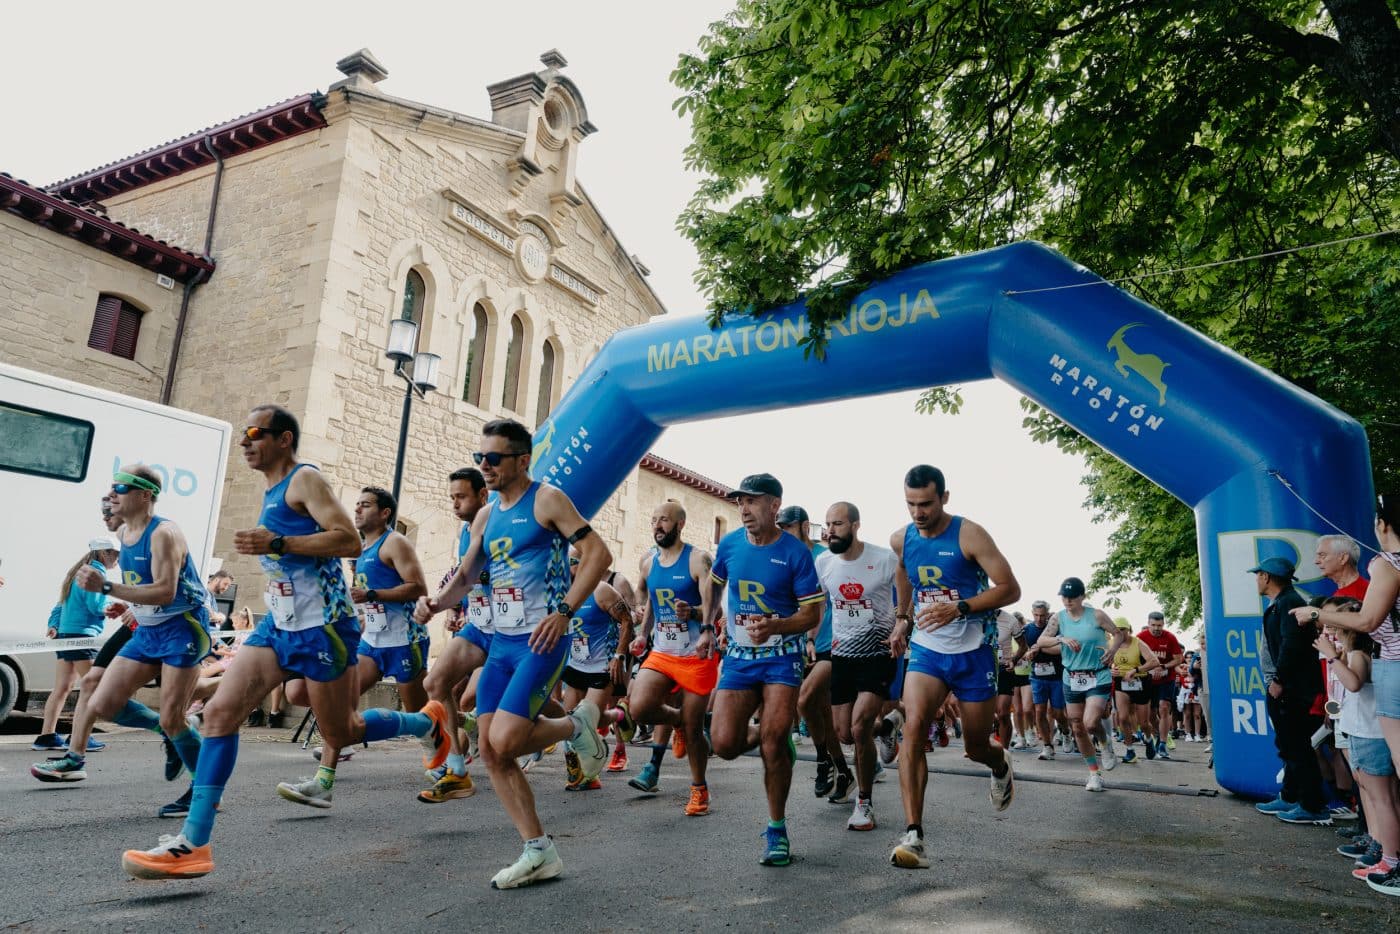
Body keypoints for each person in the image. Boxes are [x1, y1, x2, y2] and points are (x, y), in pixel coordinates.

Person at [119, 406, 452, 880]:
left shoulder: (304, 480)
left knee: (343, 732)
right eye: (245, 435)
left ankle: (425, 722)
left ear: (284, 439)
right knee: (218, 715)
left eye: (255, 433)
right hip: (279, 624)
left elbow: (347, 542)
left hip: (325, 627)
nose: (245, 442)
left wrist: (276, 543)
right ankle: (194, 844)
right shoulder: (271, 488)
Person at [435, 418, 613, 889]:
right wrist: (436, 603)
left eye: (493, 459)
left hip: (543, 639)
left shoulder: (548, 499)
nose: (485, 466)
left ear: (521, 460)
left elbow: (598, 554)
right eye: (480, 458)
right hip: (502, 642)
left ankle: (578, 725)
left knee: (507, 740)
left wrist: (564, 610)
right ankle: (539, 852)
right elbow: (469, 574)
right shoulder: (487, 514)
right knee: (493, 753)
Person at [33, 465, 212, 814]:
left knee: (173, 715)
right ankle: (169, 734)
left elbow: (165, 590)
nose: (112, 494)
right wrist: (127, 604)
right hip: (147, 630)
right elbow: (144, 586)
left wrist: (107, 588)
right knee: (102, 700)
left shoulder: (165, 533)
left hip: (182, 627)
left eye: (121, 487)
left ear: (145, 495)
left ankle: (205, 791)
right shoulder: (128, 532)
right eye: (111, 487)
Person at [887, 465, 1020, 869]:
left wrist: (959, 607)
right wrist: (902, 617)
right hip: (927, 650)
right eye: (910, 504)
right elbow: (904, 571)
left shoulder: (970, 534)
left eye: (925, 504)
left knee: (975, 745)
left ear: (944, 497)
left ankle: (999, 763)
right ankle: (914, 835)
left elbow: (1010, 589)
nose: (918, 512)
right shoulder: (902, 538)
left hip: (973, 650)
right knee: (913, 725)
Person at [275, 484, 432, 805]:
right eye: (357, 505)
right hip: (372, 642)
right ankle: (324, 782)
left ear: (385, 513)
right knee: (339, 704)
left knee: (423, 715)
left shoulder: (396, 543)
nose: (358, 510)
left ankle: (448, 758)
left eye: (366, 505)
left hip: (405, 641)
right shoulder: (359, 550)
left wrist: (373, 595)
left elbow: (418, 587)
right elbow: (362, 597)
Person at [704, 473, 824, 867]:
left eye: (752, 502)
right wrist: (708, 625)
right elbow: (715, 583)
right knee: (722, 744)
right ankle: (771, 733)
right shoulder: (731, 544)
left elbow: (812, 614)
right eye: (740, 502)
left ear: (774, 506)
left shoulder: (795, 553)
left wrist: (775, 625)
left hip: (782, 655)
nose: (743, 509)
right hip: (739, 656)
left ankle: (777, 829)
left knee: (774, 745)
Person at [1296, 493, 1400, 896]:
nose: (1318, 560)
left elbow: (1370, 620)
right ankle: (1385, 851)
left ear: (1382, 524)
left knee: (1389, 776)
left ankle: (1391, 858)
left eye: (1322, 554)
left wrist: (1318, 614)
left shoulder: (1384, 564)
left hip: (1392, 670)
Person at [627, 500, 718, 811]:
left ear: (680, 524)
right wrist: (641, 631)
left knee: (694, 730)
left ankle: (699, 789)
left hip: (695, 654)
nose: (657, 525)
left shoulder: (698, 560)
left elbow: (715, 606)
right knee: (639, 708)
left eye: (664, 520)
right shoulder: (649, 562)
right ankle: (679, 721)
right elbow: (647, 596)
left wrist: (693, 612)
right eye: (653, 519)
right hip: (663, 651)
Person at [815, 501, 898, 831]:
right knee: (845, 733)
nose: (831, 530)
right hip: (843, 656)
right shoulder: (824, 563)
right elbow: (820, 606)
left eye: (838, 523)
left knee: (860, 727)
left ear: (855, 525)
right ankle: (888, 728)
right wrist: (808, 639)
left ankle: (864, 803)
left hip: (878, 653)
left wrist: (902, 622)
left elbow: (905, 588)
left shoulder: (883, 559)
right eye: (828, 524)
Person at [414, 466, 492, 803]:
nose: (455, 504)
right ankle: (458, 769)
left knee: (516, 723)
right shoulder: (463, 532)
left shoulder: (501, 523)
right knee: (435, 683)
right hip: (479, 626)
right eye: (452, 498)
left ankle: (575, 730)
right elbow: (462, 576)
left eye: (461, 497)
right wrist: (442, 604)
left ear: (483, 495)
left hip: (515, 633)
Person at [1246, 555, 1329, 825]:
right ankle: (1291, 795)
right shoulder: (1283, 603)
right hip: (1289, 687)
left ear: (1267, 577)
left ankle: (1312, 805)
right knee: (1289, 745)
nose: (1256, 579)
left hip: (1292, 690)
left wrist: (1279, 680)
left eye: (1258, 574)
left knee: (1296, 747)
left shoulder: (1289, 603)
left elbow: (1291, 646)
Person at [1027, 577, 1125, 792]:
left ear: (1082, 596)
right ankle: (1094, 773)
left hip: (1097, 675)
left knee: (1090, 723)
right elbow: (1042, 641)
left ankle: (1105, 741)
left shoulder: (1097, 615)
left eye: (1072, 597)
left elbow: (1118, 634)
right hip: (1072, 676)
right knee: (1077, 726)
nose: (1068, 601)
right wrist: (1061, 639)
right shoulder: (1058, 618)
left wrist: (1112, 650)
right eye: (1064, 597)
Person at [783, 505, 850, 801]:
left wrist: (811, 637)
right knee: (819, 710)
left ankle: (824, 761)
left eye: (787, 527)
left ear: (803, 526)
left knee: (807, 699)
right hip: (803, 644)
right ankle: (842, 768)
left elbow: (823, 601)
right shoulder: (785, 559)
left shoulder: (823, 557)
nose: (782, 533)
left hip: (833, 642)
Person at [31, 537, 121, 751]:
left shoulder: (78, 572)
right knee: (92, 687)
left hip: (65, 635)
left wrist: (53, 625)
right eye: (116, 554)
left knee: (62, 688)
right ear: (104, 554)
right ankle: (80, 737)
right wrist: (113, 606)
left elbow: (60, 604)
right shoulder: (96, 574)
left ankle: (46, 736)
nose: (118, 558)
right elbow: (95, 605)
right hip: (82, 637)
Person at [559, 564, 634, 790]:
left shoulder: (601, 590)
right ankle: (580, 773)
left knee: (590, 722)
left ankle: (618, 715)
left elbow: (627, 620)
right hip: (575, 664)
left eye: (571, 562)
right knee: (569, 722)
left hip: (602, 666)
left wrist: (619, 655)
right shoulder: (559, 592)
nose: (566, 566)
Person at [1108, 618, 1163, 764]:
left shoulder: (1138, 643)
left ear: (1129, 629)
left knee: (1143, 722)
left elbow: (1154, 661)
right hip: (1121, 682)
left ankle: (1148, 738)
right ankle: (1130, 750)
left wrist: (1136, 670)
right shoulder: (1111, 643)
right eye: (1116, 630)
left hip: (1140, 682)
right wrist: (1111, 670)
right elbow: (1104, 661)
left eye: (1122, 629)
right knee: (1123, 717)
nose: (1119, 633)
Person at [1023, 599, 1070, 760]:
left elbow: (1062, 650)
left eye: (1042, 615)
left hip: (1057, 676)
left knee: (1057, 713)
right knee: (1040, 711)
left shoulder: (1056, 629)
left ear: (1048, 614)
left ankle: (1066, 732)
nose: (1039, 619)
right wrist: (1029, 653)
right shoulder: (1027, 629)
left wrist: (1039, 647)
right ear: (1032, 613)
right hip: (1037, 676)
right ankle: (1047, 746)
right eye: (1036, 615)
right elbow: (1025, 651)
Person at [1137, 611, 1185, 759]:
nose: (1157, 628)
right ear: (1148, 624)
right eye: (1153, 625)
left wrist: (1164, 667)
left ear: (1163, 624)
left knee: (1164, 708)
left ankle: (1163, 744)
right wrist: (1148, 668)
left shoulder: (1170, 637)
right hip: (1148, 679)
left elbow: (1178, 659)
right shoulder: (1140, 637)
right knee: (1151, 715)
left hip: (1166, 679)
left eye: (1159, 625)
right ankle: (1158, 734)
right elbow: (1135, 658)